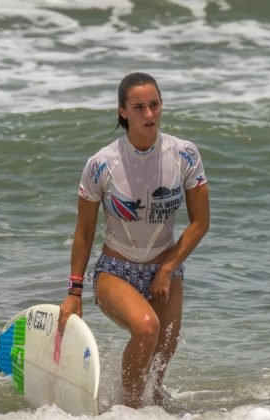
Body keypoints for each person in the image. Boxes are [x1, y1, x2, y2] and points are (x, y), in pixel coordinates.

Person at [58, 72, 210, 408]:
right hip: (116, 270)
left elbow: (201, 223)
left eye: (154, 105)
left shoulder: (184, 154)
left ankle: (148, 409)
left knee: (156, 374)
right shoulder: (101, 165)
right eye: (139, 107)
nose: (150, 115)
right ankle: (127, 412)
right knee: (145, 328)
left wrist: (168, 268)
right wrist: (74, 291)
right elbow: (84, 232)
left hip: (165, 270)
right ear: (123, 112)